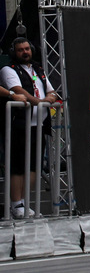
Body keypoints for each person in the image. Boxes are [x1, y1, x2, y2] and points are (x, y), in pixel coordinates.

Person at [2, 37, 57, 219]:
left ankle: (26, 201)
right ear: (14, 52)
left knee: (34, 165)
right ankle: (16, 203)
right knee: (18, 165)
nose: (25, 52)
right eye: (20, 50)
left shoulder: (38, 69)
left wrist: (49, 98)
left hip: (38, 124)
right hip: (19, 124)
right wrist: (40, 102)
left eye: (27, 49)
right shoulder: (8, 70)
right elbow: (19, 91)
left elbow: (51, 90)